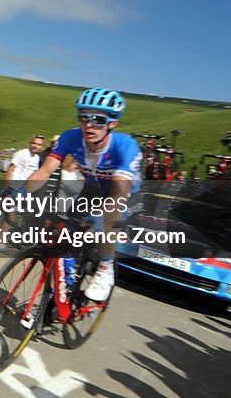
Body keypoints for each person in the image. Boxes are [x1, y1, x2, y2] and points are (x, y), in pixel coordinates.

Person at [23, 88, 142, 302]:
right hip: (93, 188)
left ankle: (105, 268)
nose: (89, 124)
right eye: (84, 117)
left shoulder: (125, 146)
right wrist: (20, 194)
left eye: (98, 119)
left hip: (123, 192)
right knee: (62, 235)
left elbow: (120, 192)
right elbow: (45, 170)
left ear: (112, 123)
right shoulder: (71, 137)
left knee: (106, 219)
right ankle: (59, 290)